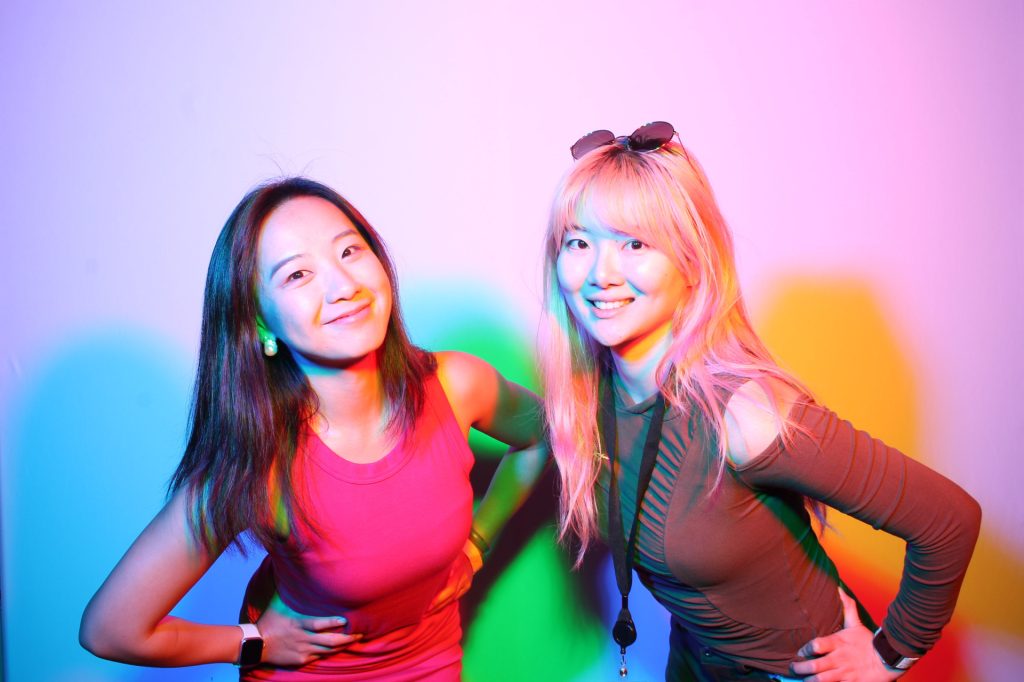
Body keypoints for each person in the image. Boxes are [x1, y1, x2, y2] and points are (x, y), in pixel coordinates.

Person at [541, 122, 981, 681]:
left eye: (635, 244)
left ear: (691, 264)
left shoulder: (745, 414)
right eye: (579, 242)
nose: (601, 275)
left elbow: (948, 520)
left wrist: (890, 654)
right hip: (696, 663)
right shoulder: (585, 401)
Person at [80, 177, 546, 680]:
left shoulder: (456, 386)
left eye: (350, 251)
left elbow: (546, 433)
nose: (344, 286)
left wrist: (478, 541)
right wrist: (252, 644)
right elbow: (111, 629)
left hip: (435, 663)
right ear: (259, 323)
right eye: (298, 274)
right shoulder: (262, 461)